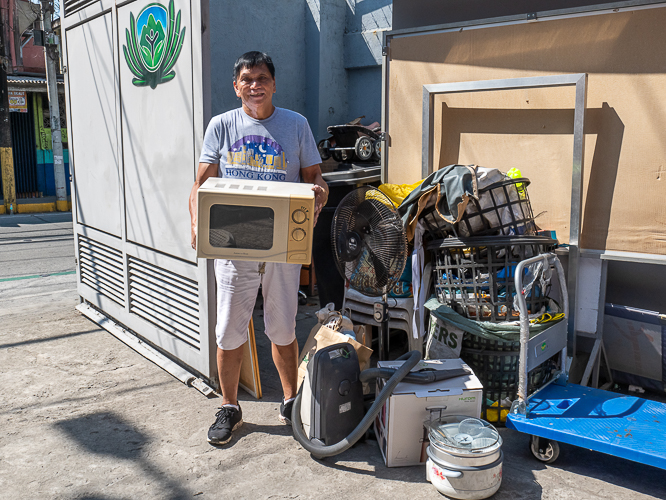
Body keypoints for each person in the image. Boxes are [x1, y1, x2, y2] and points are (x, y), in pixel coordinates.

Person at [189, 51, 329, 445]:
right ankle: (230, 407)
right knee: (229, 332)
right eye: (247, 79)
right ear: (236, 87)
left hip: (281, 245)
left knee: (283, 327)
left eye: (262, 78)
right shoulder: (221, 126)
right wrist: (198, 222)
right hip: (235, 244)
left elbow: (316, 179)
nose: (255, 85)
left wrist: (318, 192)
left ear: (273, 83)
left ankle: (289, 403)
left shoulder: (296, 124)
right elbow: (200, 185)